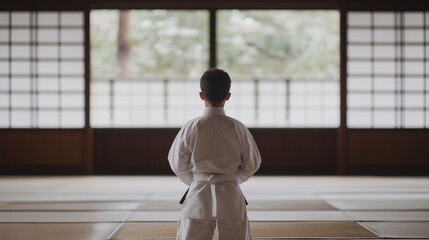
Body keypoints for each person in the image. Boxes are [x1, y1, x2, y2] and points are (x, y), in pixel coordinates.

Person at [168, 68, 262, 240]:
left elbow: (176, 163)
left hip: (198, 193)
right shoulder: (237, 128)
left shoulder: (191, 127)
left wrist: (196, 181)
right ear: (228, 96)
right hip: (230, 193)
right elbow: (252, 164)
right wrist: (231, 180)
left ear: (201, 95)